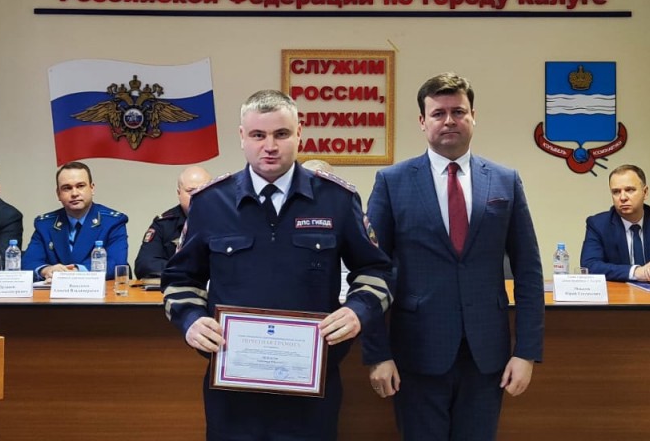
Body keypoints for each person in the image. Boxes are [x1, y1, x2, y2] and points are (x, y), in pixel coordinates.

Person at [162, 89, 392, 441]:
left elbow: (377, 272)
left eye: (281, 134)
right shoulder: (210, 202)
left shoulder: (336, 199)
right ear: (242, 137)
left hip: (312, 386)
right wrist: (191, 320)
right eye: (258, 135)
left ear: (299, 133)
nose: (269, 146)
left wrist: (358, 311)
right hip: (233, 387)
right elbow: (179, 279)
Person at [363, 72, 544, 441]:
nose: (449, 120)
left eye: (458, 112)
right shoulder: (392, 182)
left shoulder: (505, 180)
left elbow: (528, 270)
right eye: (438, 113)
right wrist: (377, 354)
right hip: (416, 353)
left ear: (473, 116)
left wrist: (526, 352)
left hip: (487, 356)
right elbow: (371, 272)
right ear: (422, 121)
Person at [580, 164, 650, 283]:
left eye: (629, 190)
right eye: (616, 192)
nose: (622, 197)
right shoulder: (598, 224)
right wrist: (637, 272)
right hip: (619, 294)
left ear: (645, 192)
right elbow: (590, 266)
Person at [21, 161, 128, 281]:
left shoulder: (112, 222)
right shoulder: (45, 224)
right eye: (67, 188)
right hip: (54, 291)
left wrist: (76, 271)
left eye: (80, 186)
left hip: (97, 291)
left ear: (92, 188)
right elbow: (29, 262)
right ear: (58, 194)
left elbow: (116, 263)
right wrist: (46, 270)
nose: (74, 193)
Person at [133, 165, 211, 279]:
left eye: (204, 190)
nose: (198, 196)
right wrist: (188, 270)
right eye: (191, 191)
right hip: (177, 287)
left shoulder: (228, 220)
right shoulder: (164, 224)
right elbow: (144, 265)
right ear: (179, 193)